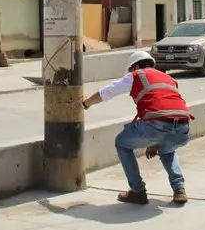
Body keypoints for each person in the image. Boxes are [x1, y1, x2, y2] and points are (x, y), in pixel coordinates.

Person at [82, 50, 194, 205]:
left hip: (156, 125)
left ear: (135, 67)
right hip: (183, 128)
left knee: (122, 143)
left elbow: (107, 92)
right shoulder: (168, 78)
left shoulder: (137, 75)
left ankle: (137, 191)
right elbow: (164, 108)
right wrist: (155, 142)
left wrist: (85, 103)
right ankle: (179, 189)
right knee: (167, 149)